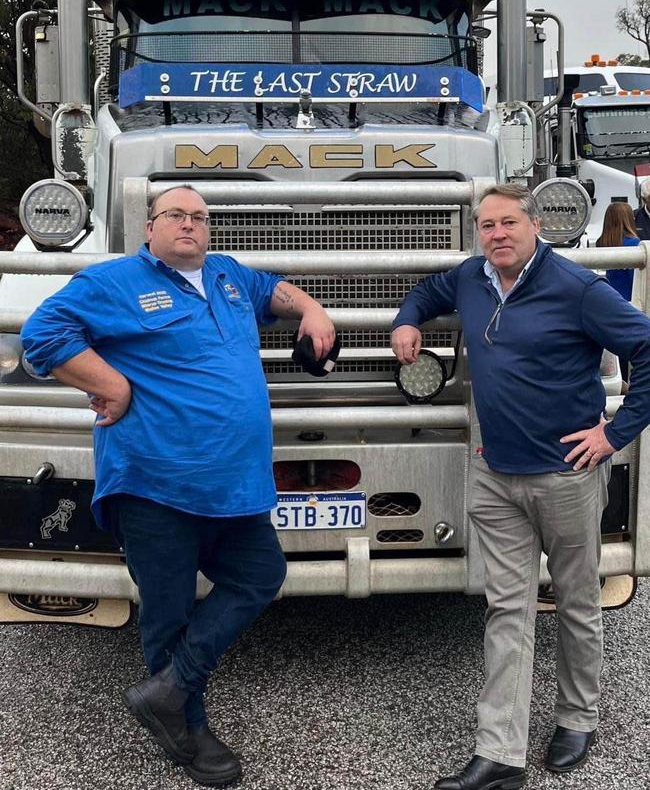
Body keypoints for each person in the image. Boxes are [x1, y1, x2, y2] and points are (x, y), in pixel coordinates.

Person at [21, 184, 336, 788]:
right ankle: (188, 732)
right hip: (154, 482)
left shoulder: (226, 276)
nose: (188, 224)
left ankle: (167, 692)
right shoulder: (112, 282)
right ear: (149, 228)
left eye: (198, 217)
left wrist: (313, 309)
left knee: (259, 575)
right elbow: (43, 333)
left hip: (235, 485)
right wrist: (113, 387)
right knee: (166, 612)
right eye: (175, 214)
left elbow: (276, 288)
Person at [391, 183, 650, 790]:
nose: (498, 235)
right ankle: (500, 754)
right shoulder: (472, 278)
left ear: (535, 224)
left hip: (566, 475)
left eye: (509, 223)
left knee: (577, 601)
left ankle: (577, 717)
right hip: (494, 475)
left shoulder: (577, 289)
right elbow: (431, 290)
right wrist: (407, 320)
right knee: (506, 608)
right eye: (487, 226)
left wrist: (615, 434)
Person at [597, 202, 640, 385]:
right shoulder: (633, 244)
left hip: (608, 300)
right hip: (628, 301)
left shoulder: (601, 242)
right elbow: (634, 279)